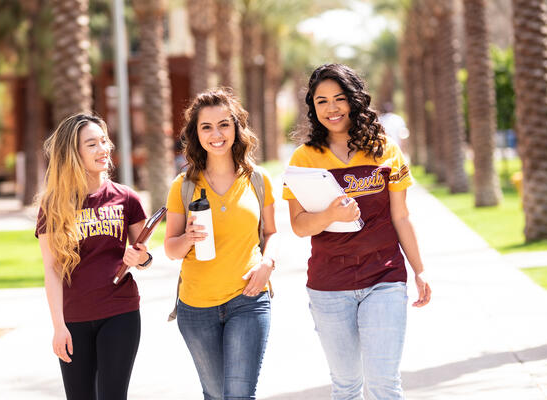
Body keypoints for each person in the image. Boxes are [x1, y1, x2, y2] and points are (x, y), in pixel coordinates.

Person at [283, 64, 431, 400]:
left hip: (385, 276)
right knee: (347, 386)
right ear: (312, 106)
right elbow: (298, 225)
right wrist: (329, 215)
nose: (331, 108)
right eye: (321, 101)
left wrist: (419, 270)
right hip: (329, 285)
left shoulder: (384, 149)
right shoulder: (303, 159)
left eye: (339, 99)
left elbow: (401, 216)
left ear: (354, 100)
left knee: (383, 384)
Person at [164, 88, 277, 400]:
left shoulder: (258, 179)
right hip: (196, 307)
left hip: (248, 299)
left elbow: (272, 233)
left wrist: (267, 264)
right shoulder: (183, 185)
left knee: (239, 395)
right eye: (207, 127)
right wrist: (188, 238)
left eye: (224, 124)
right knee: (215, 395)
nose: (217, 134)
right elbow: (171, 249)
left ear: (237, 127)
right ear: (196, 133)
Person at [36, 113, 152, 400]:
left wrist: (141, 259)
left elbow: (145, 255)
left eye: (104, 141)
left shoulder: (126, 198)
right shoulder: (53, 205)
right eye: (92, 144)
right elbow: (51, 270)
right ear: (73, 154)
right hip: (74, 320)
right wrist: (58, 326)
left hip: (120, 313)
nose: (103, 149)